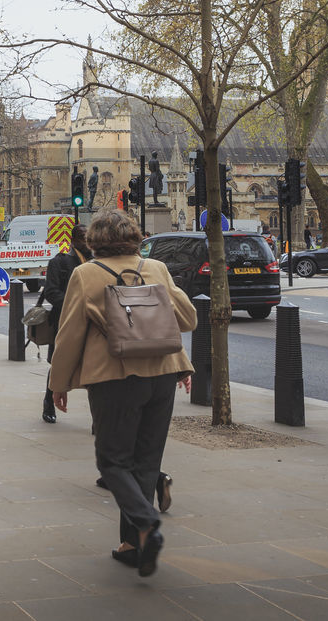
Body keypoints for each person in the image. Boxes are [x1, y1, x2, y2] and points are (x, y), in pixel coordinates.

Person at [49, 210, 196, 578]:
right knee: (145, 464)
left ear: (94, 241)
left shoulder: (86, 274)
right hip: (162, 374)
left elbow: (69, 334)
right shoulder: (156, 267)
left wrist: (58, 382)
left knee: (113, 461)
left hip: (114, 377)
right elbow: (188, 319)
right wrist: (183, 364)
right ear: (134, 237)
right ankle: (133, 545)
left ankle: (146, 523)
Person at [40, 224, 92, 423]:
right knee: (58, 363)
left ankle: (97, 415)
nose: (86, 242)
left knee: (93, 365)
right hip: (65, 320)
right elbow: (51, 291)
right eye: (82, 237)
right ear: (73, 240)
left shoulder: (95, 262)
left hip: (90, 321)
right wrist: (75, 305)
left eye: (88, 238)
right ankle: (48, 402)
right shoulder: (59, 262)